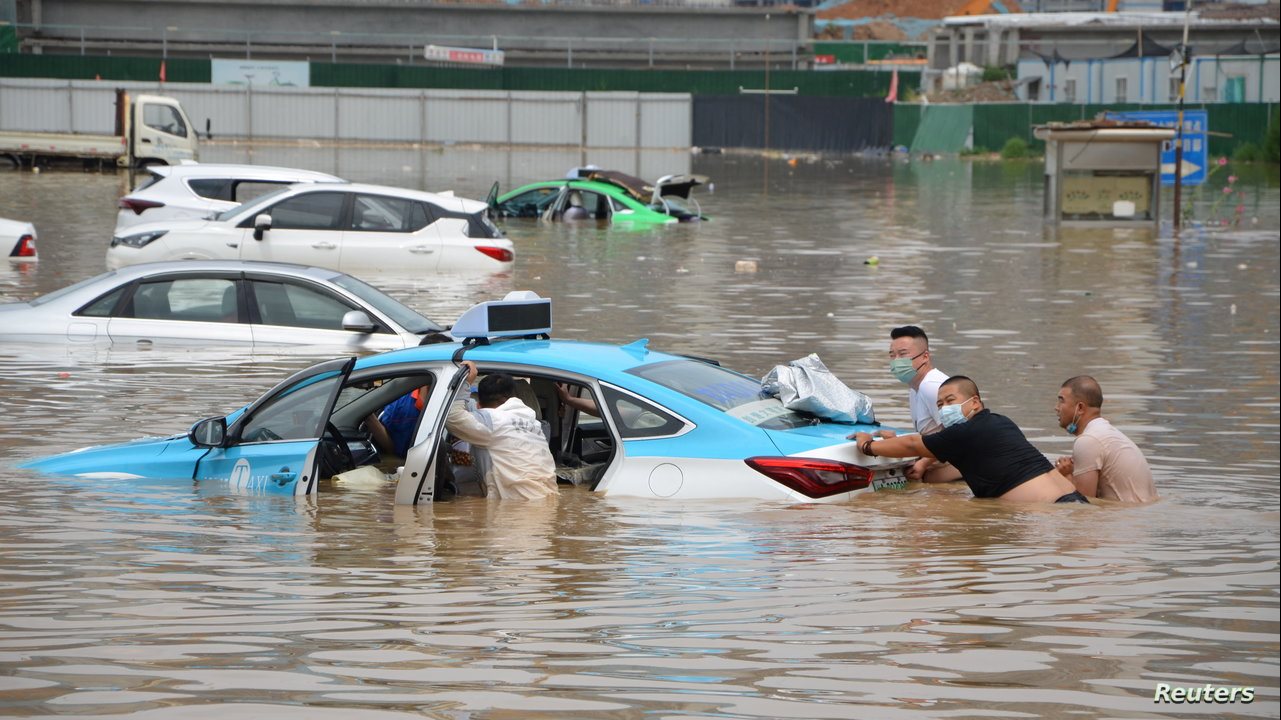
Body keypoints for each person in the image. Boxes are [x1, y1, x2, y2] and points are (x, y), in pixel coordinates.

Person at [850, 375, 1087, 504]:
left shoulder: (965, 434)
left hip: (1053, 515)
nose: (944, 409)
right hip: (1075, 502)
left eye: (950, 401)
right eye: (940, 405)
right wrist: (897, 443)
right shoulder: (999, 421)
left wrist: (867, 445)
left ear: (975, 402)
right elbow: (929, 447)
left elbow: (915, 443)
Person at [446, 361, 558, 500]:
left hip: (516, 507)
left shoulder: (489, 422)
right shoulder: (533, 423)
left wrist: (464, 384)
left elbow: (451, 417)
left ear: (480, 405)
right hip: (547, 500)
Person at [1054, 376, 1157, 503]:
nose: (1056, 408)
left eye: (1061, 401)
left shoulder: (1088, 440)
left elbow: (1082, 505)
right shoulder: (1108, 433)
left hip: (1125, 518)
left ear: (1080, 408)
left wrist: (1066, 476)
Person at [882, 325, 961, 484]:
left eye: (903, 354)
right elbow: (932, 433)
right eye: (892, 355)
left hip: (958, 473)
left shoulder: (931, 386)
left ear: (925, 356)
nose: (897, 361)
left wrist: (923, 463)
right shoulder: (915, 387)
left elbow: (959, 435)